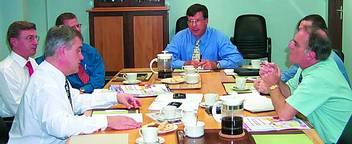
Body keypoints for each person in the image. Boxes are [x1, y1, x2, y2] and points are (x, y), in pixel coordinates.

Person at [9, 26, 142, 143]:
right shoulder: (45, 84)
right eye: (78, 50)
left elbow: (76, 101)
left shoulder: (54, 75)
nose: (81, 57)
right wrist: (106, 121)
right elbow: (59, 126)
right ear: (62, 51)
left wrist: (115, 97)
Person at [257, 28, 352, 143]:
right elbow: (290, 92)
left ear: (310, 55)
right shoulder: (310, 66)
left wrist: (272, 85)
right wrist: (276, 80)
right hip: (315, 133)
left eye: (295, 44)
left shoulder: (320, 76)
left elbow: (284, 114)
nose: (290, 45)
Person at [36, 12, 105, 93]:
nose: (77, 30)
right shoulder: (48, 63)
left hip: (90, 94)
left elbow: (99, 77)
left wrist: (84, 90)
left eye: (78, 26)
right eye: (72, 28)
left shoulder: (90, 51)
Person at [165, 4, 243, 70]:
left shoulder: (218, 36)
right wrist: (185, 63)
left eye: (197, 21)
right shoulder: (179, 37)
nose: (193, 25)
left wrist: (216, 64)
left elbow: (237, 59)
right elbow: (165, 60)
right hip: (185, 78)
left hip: (212, 80)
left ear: (206, 21)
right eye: (190, 21)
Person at [281, 14, 350, 87]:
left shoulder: (323, 59)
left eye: (305, 30)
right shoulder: (308, 53)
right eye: (300, 29)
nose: (300, 33)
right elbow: (287, 78)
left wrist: (273, 83)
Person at [0, 21, 39, 139]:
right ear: (14, 42)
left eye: (36, 37)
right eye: (30, 38)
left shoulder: (32, 62)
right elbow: (18, 108)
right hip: (14, 124)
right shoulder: (5, 70)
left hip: (34, 119)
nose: (36, 42)